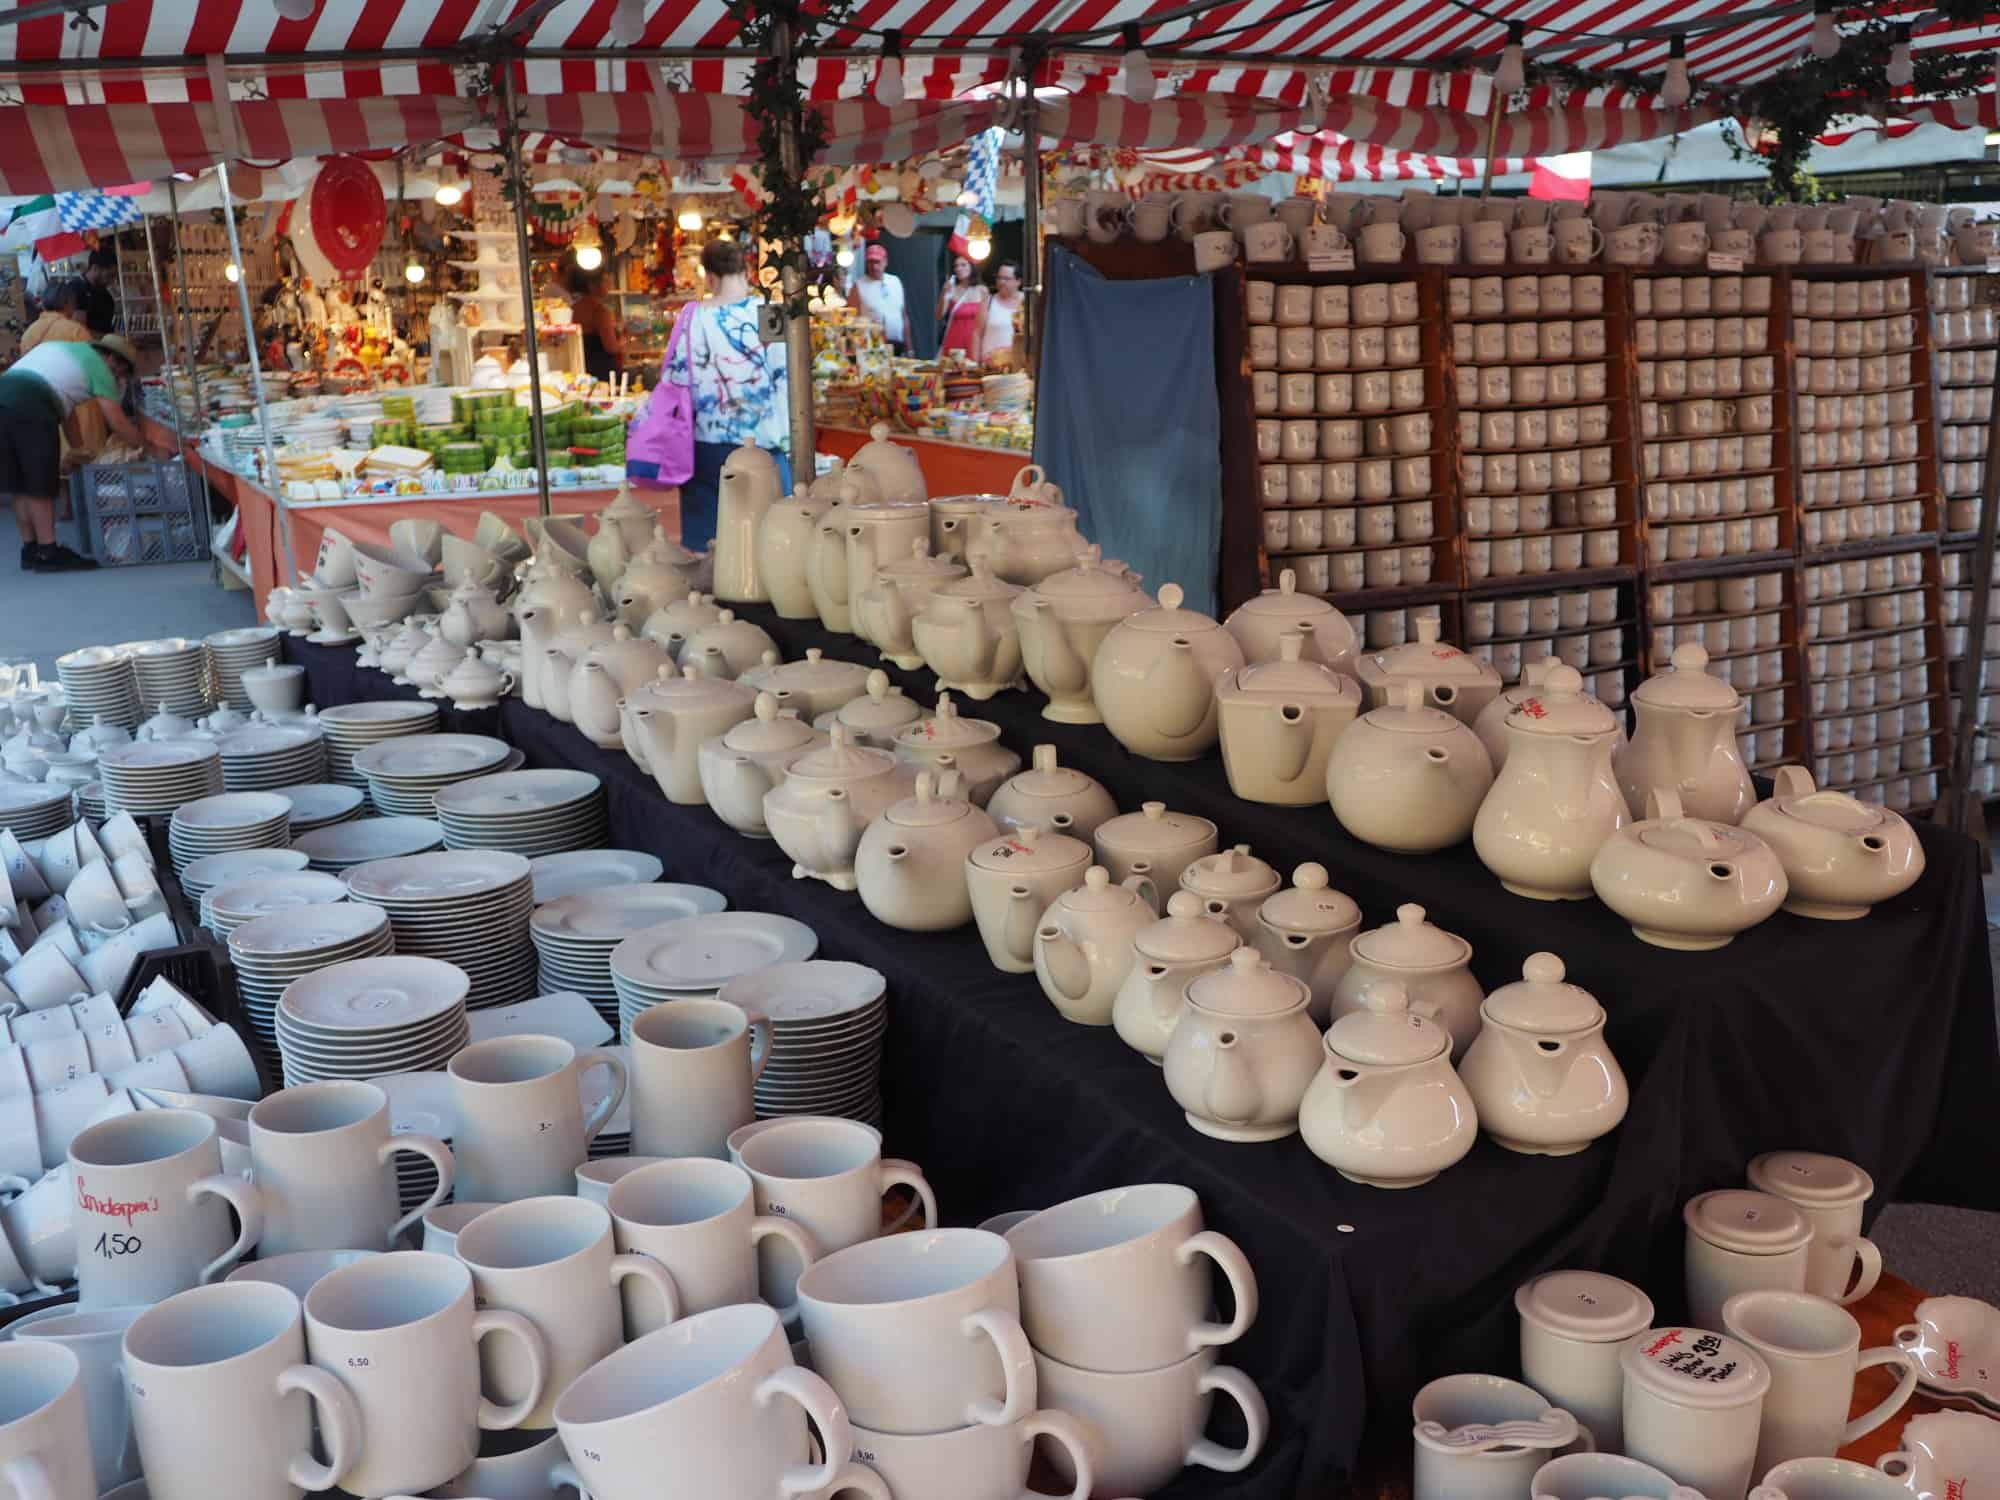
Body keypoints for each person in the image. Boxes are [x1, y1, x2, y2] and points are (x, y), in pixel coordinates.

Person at [664, 238, 790, 552]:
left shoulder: (692, 317)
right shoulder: (770, 313)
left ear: (709, 277)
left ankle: (709, 600)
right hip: (766, 444)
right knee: (773, 539)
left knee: (710, 545)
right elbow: (786, 377)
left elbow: (676, 380)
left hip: (707, 445)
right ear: (746, 270)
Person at [0, 333, 144, 572]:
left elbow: (67, 413)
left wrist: (80, 450)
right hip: (31, 406)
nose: (118, 376)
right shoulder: (98, 367)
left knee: (20, 484)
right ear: (109, 357)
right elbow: (116, 420)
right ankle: (48, 551)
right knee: (39, 484)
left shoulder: (67, 351)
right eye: (120, 369)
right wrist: (143, 446)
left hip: (4, 399)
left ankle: (31, 549)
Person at [568, 268, 626, 383]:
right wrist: (622, 343)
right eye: (605, 280)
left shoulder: (573, 309)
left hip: (582, 368)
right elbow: (611, 347)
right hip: (603, 372)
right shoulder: (600, 311)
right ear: (592, 285)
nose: (609, 284)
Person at [851, 242, 908, 353]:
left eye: (877, 262)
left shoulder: (895, 281)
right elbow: (852, 321)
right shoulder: (859, 285)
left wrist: (910, 348)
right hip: (872, 345)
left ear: (885, 262)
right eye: (870, 262)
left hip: (897, 343)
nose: (874, 266)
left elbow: (904, 316)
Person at [20, 280, 91, 354]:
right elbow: (91, 362)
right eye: (74, 302)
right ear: (68, 302)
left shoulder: (28, 333)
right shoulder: (77, 332)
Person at [936, 255, 986, 358]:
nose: (959, 268)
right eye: (956, 266)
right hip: (954, 338)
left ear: (972, 267)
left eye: (963, 265)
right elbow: (939, 316)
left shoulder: (982, 290)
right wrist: (943, 293)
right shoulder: (951, 289)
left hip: (974, 339)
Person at [977, 261, 1024, 365]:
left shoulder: (1026, 302)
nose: (1001, 282)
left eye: (1006, 279)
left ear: (1018, 281)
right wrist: (975, 363)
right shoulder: (988, 301)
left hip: (1018, 365)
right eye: (999, 278)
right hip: (990, 365)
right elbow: (977, 334)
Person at [77, 247, 119, 336]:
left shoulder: (106, 296)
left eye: (114, 276)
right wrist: (110, 339)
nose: (111, 281)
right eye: (109, 275)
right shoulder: (78, 290)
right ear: (95, 268)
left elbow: (107, 328)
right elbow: (79, 330)